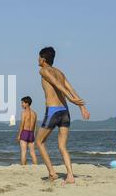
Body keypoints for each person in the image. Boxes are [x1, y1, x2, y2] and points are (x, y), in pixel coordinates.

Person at [35, 47, 90, 184]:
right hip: (65, 111)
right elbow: (71, 88)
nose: (37, 59)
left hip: (53, 111)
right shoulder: (60, 72)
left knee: (39, 141)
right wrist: (81, 107)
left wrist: (72, 100)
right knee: (62, 146)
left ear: (43, 59)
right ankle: (70, 176)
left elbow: (57, 84)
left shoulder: (43, 70)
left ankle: (52, 173)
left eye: (39, 57)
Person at [16, 96, 38, 165]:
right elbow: (35, 126)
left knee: (23, 151)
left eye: (23, 103)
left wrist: (19, 135)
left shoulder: (24, 113)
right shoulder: (34, 113)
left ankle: (23, 166)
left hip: (25, 132)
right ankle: (36, 166)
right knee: (32, 152)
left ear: (27, 103)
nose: (21, 104)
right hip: (31, 133)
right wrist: (34, 135)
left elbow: (22, 124)